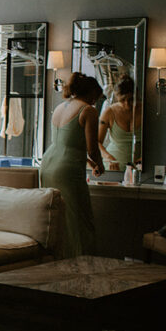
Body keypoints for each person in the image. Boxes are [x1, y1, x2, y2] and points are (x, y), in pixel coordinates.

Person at [40, 72, 105, 257]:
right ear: (92, 93)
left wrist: (90, 163)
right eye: (96, 98)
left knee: (57, 216)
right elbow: (91, 148)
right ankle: (81, 259)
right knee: (79, 218)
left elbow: (69, 143)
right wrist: (99, 165)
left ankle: (56, 257)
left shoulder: (61, 107)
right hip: (67, 170)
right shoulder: (88, 111)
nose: (95, 102)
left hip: (48, 163)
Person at [98, 75, 142, 171]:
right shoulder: (109, 112)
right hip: (113, 166)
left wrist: (146, 158)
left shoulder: (145, 111)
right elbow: (97, 142)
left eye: (131, 100)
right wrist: (108, 157)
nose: (127, 104)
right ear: (117, 97)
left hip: (139, 168)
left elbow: (157, 141)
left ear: (136, 95)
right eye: (122, 100)